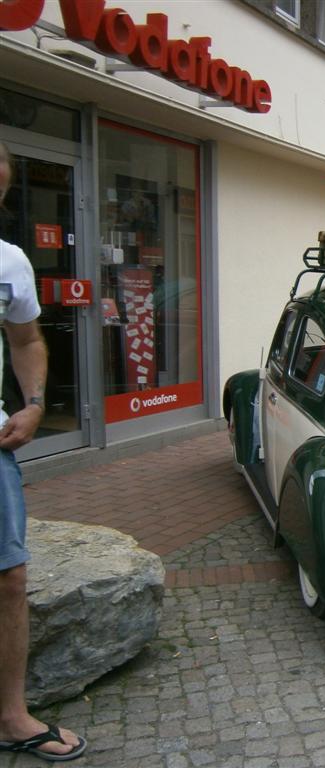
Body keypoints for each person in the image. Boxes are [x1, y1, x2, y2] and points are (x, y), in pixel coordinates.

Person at [0, 142, 87, 761]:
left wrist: (33, 403)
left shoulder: (9, 262)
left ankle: (11, 717)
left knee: (9, 579)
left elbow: (27, 337)